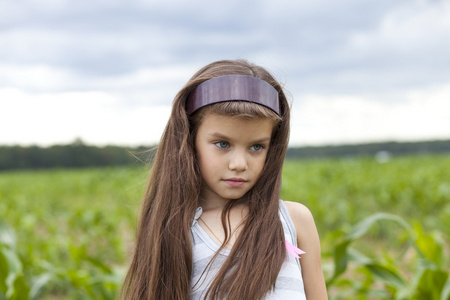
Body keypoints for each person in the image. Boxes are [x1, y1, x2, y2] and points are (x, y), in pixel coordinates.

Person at [120, 59, 328, 300]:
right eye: (222, 144)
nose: (239, 164)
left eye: (257, 147)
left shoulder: (294, 222)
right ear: (189, 141)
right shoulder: (175, 232)